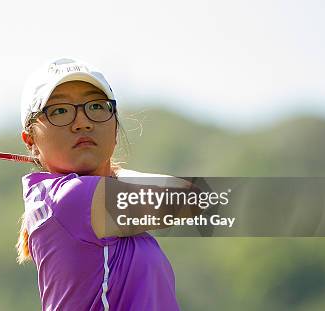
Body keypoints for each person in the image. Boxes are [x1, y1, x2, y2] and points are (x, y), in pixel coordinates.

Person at [16, 57, 194, 310]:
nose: (83, 122)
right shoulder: (69, 199)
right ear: (30, 139)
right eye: (59, 111)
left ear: (115, 126)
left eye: (96, 107)